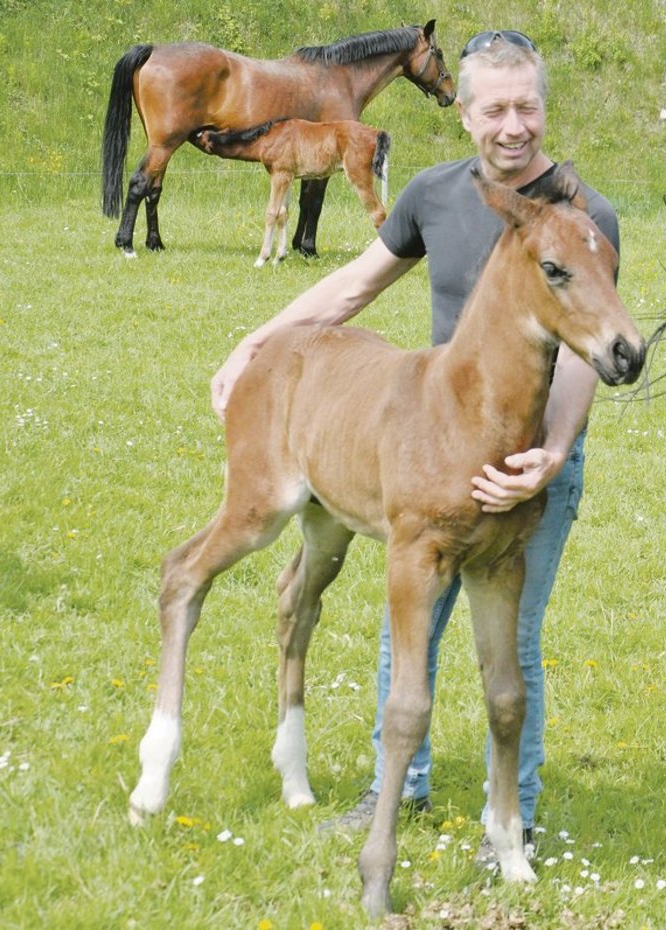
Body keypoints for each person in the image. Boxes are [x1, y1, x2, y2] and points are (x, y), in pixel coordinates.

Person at [208, 30, 620, 860]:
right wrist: (257, 340)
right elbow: (355, 284)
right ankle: (397, 788)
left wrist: (552, 451)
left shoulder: (584, 218)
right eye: (495, 108)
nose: (514, 125)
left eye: (527, 105)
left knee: (515, 648)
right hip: (436, 451)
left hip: (529, 463)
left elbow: (586, 351)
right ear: (463, 112)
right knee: (412, 632)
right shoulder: (434, 195)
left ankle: (516, 815)